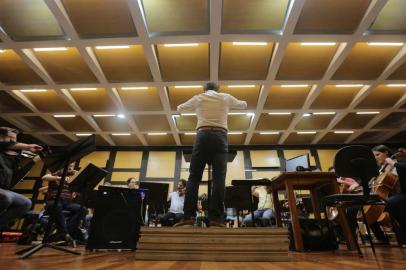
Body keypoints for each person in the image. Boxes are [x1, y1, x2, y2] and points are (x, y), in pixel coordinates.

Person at [175, 82, 247, 227]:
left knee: (194, 177)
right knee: (219, 178)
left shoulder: (199, 98)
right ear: (217, 89)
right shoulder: (225, 97)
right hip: (221, 136)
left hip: (202, 135)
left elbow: (180, 108)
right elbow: (243, 105)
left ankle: (189, 217)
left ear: (204, 89)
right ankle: (216, 219)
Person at [0, 127, 43, 231]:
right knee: (6, 197)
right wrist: (28, 146)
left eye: (15, 139)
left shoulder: (12, 157)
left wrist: (33, 161)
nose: (13, 142)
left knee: (26, 203)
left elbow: (15, 179)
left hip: (3, 189)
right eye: (10, 138)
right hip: (3, 193)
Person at [42, 163, 87, 242]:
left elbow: (76, 190)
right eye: (69, 165)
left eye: (72, 166)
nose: (70, 167)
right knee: (56, 206)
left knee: (83, 209)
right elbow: (44, 177)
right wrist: (59, 178)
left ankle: (65, 233)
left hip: (67, 202)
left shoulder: (72, 176)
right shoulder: (56, 172)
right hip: (54, 199)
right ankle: (64, 233)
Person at [372, 145, 406, 245]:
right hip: (389, 195)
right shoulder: (381, 169)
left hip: (401, 194)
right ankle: (383, 238)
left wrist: (393, 163)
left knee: (392, 202)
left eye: (378, 154)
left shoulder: (399, 161)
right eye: (374, 156)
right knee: (369, 206)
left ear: (386, 153)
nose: (376, 157)